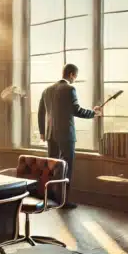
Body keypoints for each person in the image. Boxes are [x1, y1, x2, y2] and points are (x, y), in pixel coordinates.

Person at [37, 63, 102, 208]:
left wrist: (42, 131)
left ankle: (51, 197)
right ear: (72, 74)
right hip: (66, 135)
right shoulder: (70, 88)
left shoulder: (47, 90)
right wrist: (94, 113)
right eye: (75, 77)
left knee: (52, 167)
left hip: (50, 134)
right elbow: (76, 110)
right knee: (66, 167)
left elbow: (41, 112)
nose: (75, 80)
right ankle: (63, 201)